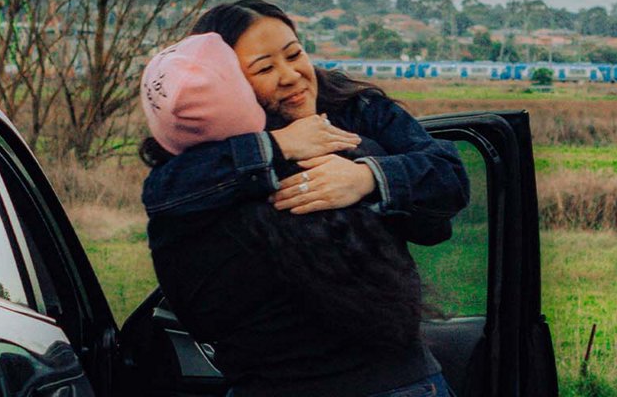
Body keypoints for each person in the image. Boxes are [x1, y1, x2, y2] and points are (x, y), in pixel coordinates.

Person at [139, 24, 463, 396]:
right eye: (263, 68)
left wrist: (366, 178)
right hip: (396, 383)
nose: (290, 75)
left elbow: (200, 316)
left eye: (294, 54)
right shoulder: (347, 145)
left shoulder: (181, 204)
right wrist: (289, 147)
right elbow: (434, 226)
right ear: (234, 84)